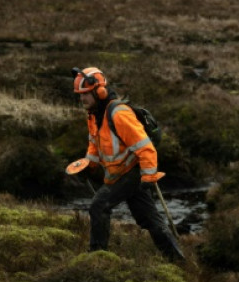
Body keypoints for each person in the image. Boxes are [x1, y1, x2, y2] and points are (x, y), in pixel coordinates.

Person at [70, 66, 185, 260]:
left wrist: (148, 176)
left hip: (132, 172)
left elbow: (145, 147)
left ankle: (97, 258)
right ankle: (178, 260)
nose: (82, 99)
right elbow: (94, 143)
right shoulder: (94, 114)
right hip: (120, 172)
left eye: (86, 94)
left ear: (99, 91)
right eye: (80, 95)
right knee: (151, 220)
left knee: (99, 206)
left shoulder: (119, 114)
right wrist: (89, 165)